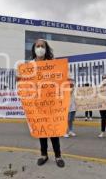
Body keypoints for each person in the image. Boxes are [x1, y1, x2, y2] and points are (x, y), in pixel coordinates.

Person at [20, 39, 65, 168]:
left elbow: (61, 80)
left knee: (53, 132)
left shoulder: (52, 64)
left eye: (42, 46)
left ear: (46, 49)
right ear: (34, 49)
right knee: (42, 131)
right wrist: (20, 79)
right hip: (36, 104)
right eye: (38, 46)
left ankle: (58, 156)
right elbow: (25, 83)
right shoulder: (29, 65)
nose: (40, 48)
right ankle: (43, 155)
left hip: (51, 103)